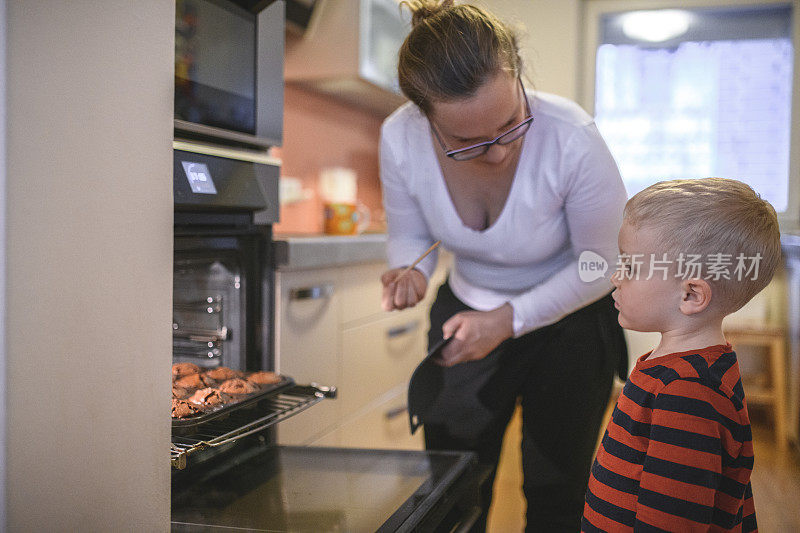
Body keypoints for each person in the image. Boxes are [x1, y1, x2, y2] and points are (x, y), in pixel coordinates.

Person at [379, 1, 628, 530]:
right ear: (425, 119)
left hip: (573, 323)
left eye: (511, 124)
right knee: (453, 489)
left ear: (519, 75)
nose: (498, 153)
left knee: (558, 492)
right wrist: (410, 270)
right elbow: (408, 234)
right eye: (468, 143)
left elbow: (601, 265)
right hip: (466, 315)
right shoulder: (398, 137)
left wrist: (510, 320)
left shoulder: (571, 136)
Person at [582, 178, 781, 532]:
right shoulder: (682, 370)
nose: (616, 277)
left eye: (630, 267)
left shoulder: (687, 393)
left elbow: (671, 522)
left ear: (690, 295)